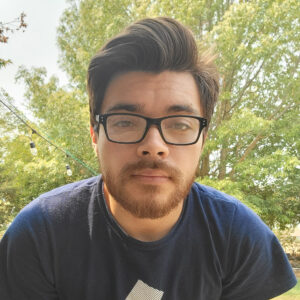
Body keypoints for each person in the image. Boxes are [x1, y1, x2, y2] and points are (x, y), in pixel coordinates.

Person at [0, 17, 297, 300]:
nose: (153, 146)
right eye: (126, 121)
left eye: (180, 124)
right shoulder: (38, 235)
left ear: (203, 139)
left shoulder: (238, 236)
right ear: (95, 135)